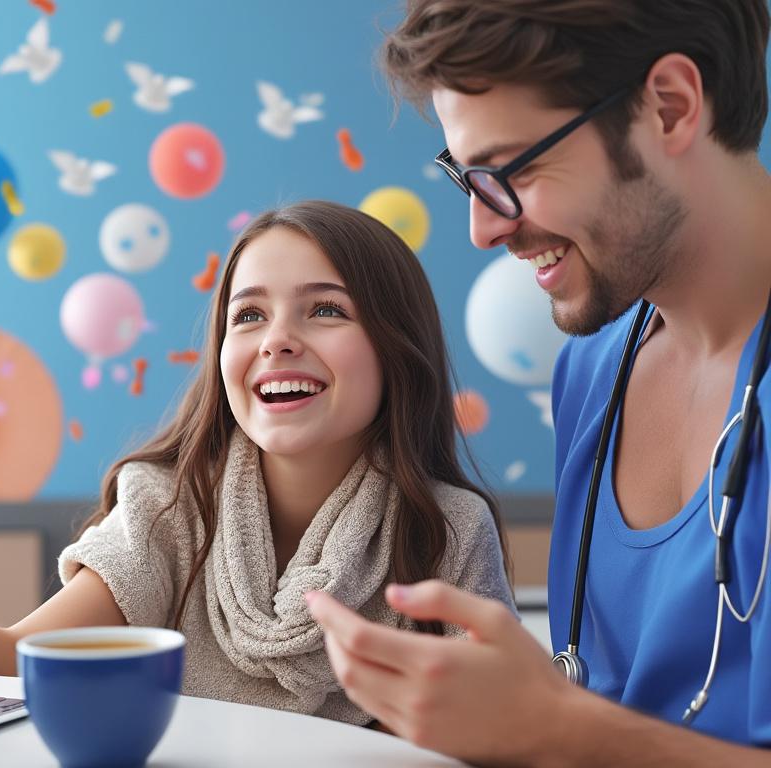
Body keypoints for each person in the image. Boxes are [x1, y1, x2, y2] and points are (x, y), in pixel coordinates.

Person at [307, 0, 771, 763]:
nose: (483, 229)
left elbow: (576, 728)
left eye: (513, 168)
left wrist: (555, 727)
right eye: (469, 178)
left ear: (670, 107)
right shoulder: (591, 370)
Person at [0, 200, 514, 725]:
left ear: (397, 347)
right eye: (248, 315)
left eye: (325, 309)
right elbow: (19, 657)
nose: (277, 340)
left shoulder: (451, 531)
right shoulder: (166, 506)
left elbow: (494, 727)